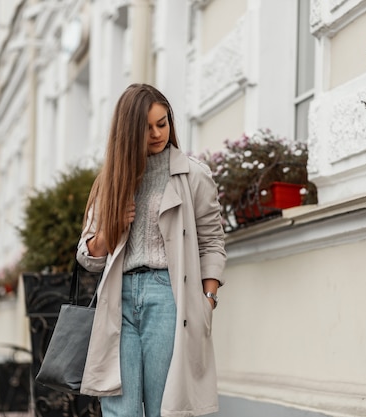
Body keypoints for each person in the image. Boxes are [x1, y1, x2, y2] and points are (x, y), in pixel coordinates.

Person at [76, 83, 226, 417]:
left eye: (163, 123)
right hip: (120, 298)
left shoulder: (193, 175)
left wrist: (208, 300)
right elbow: (88, 256)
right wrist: (109, 228)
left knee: (164, 408)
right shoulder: (111, 181)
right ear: (128, 130)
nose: (157, 133)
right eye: (146, 127)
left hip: (168, 297)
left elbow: (212, 241)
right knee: (120, 410)